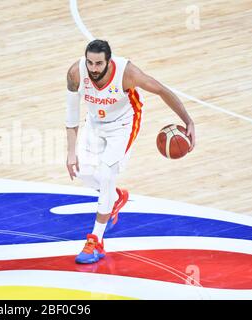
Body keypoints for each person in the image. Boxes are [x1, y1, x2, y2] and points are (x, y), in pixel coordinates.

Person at [66, 39, 195, 264]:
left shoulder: (128, 73)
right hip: (95, 123)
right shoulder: (76, 74)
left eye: (98, 64)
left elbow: (161, 90)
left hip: (124, 123)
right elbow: (71, 115)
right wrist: (70, 152)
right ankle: (116, 197)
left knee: (106, 175)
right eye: (90, 63)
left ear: (109, 61)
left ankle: (95, 240)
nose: (93, 69)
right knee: (81, 171)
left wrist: (188, 121)